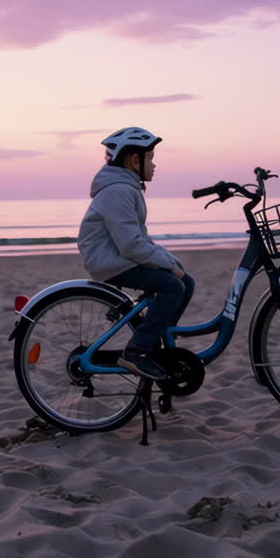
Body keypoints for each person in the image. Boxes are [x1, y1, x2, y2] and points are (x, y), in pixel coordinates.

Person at [77, 127, 195, 380]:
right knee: (172, 286)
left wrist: (170, 261)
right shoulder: (118, 191)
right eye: (150, 157)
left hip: (119, 257)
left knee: (186, 281)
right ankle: (139, 351)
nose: (154, 164)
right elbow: (131, 245)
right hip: (110, 262)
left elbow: (139, 239)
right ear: (134, 160)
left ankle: (156, 341)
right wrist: (167, 266)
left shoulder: (127, 188)